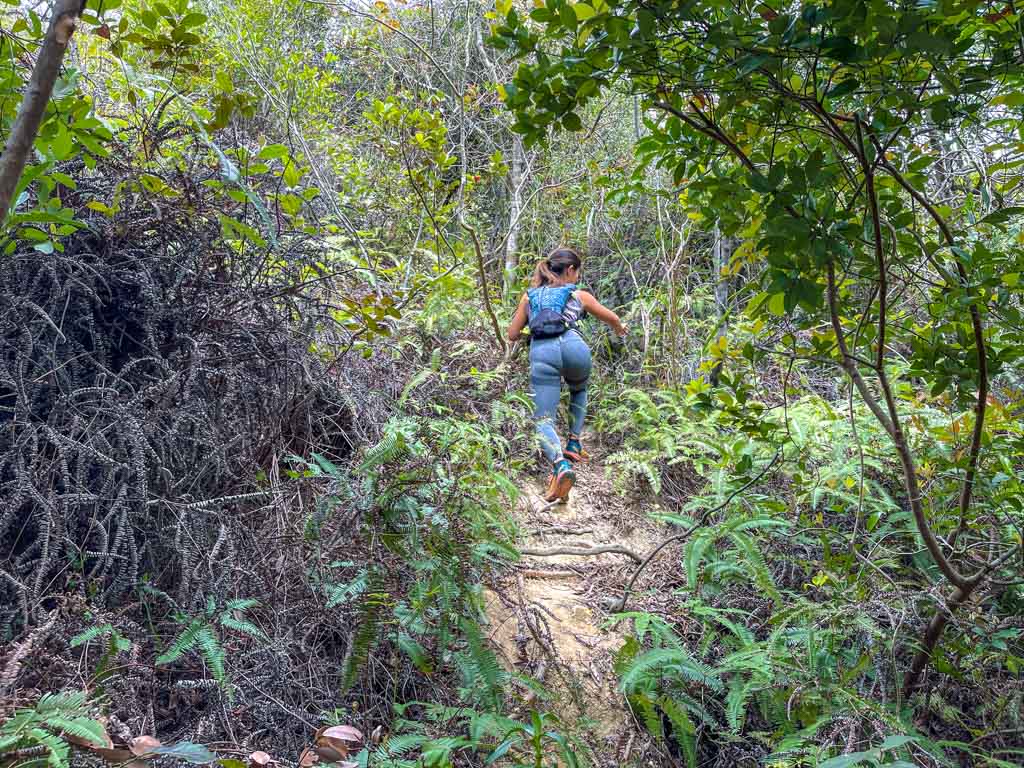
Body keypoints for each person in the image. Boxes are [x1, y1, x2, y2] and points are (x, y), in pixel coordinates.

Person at [506, 247, 627, 502]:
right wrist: (620, 328)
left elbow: (512, 334)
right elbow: (613, 319)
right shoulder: (578, 294)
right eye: (577, 272)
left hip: (542, 354)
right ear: (570, 270)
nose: (577, 277)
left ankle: (560, 466)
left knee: (543, 419)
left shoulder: (529, 297)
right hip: (575, 348)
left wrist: (535, 329)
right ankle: (574, 442)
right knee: (579, 389)